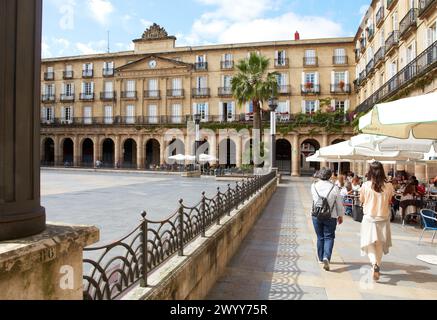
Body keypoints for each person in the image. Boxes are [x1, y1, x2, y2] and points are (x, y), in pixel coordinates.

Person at [360, 162, 394, 281]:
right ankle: (377, 266)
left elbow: (361, 200)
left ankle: (374, 264)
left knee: (368, 243)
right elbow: (390, 200)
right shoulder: (389, 186)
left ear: (370, 171)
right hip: (383, 219)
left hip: (369, 218)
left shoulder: (365, 185)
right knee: (379, 244)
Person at [311, 168, 344, 272]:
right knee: (329, 237)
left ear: (320, 175)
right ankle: (326, 257)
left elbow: (314, 199)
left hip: (316, 215)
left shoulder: (314, 186)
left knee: (320, 237)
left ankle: (321, 258)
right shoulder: (334, 188)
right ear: (330, 176)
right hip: (331, 215)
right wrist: (340, 215)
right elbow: (339, 203)